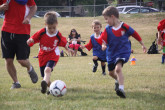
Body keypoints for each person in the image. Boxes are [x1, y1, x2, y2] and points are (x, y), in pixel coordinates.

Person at [97, 6, 147, 98]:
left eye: (106, 19)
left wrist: (142, 44)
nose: (106, 21)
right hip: (111, 54)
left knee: (118, 69)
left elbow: (134, 34)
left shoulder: (124, 26)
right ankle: (118, 80)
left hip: (123, 52)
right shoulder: (108, 29)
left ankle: (121, 89)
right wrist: (103, 46)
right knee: (111, 73)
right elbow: (103, 40)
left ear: (112, 16)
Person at [27, 11, 70, 94]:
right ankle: (50, 88)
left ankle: (46, 84)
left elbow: (63, 42)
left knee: (47, 70)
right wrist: (30, 41)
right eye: (49, 28)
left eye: (54, 27)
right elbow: (34, 39)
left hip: (53, 55)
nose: (52, 30)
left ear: (56, 24)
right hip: (42, 56)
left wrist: (67, 48)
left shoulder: (57, 34)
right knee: (45, 77)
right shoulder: (42, 32)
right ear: (45, 24)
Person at [0, 0, 38, 89]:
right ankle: (16, 82)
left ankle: (30, 68)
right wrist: (1, 7)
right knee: (8, 59)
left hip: (23, 31)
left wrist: (28, 18)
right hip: (6, 30)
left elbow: (34, 7)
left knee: (22, 60)